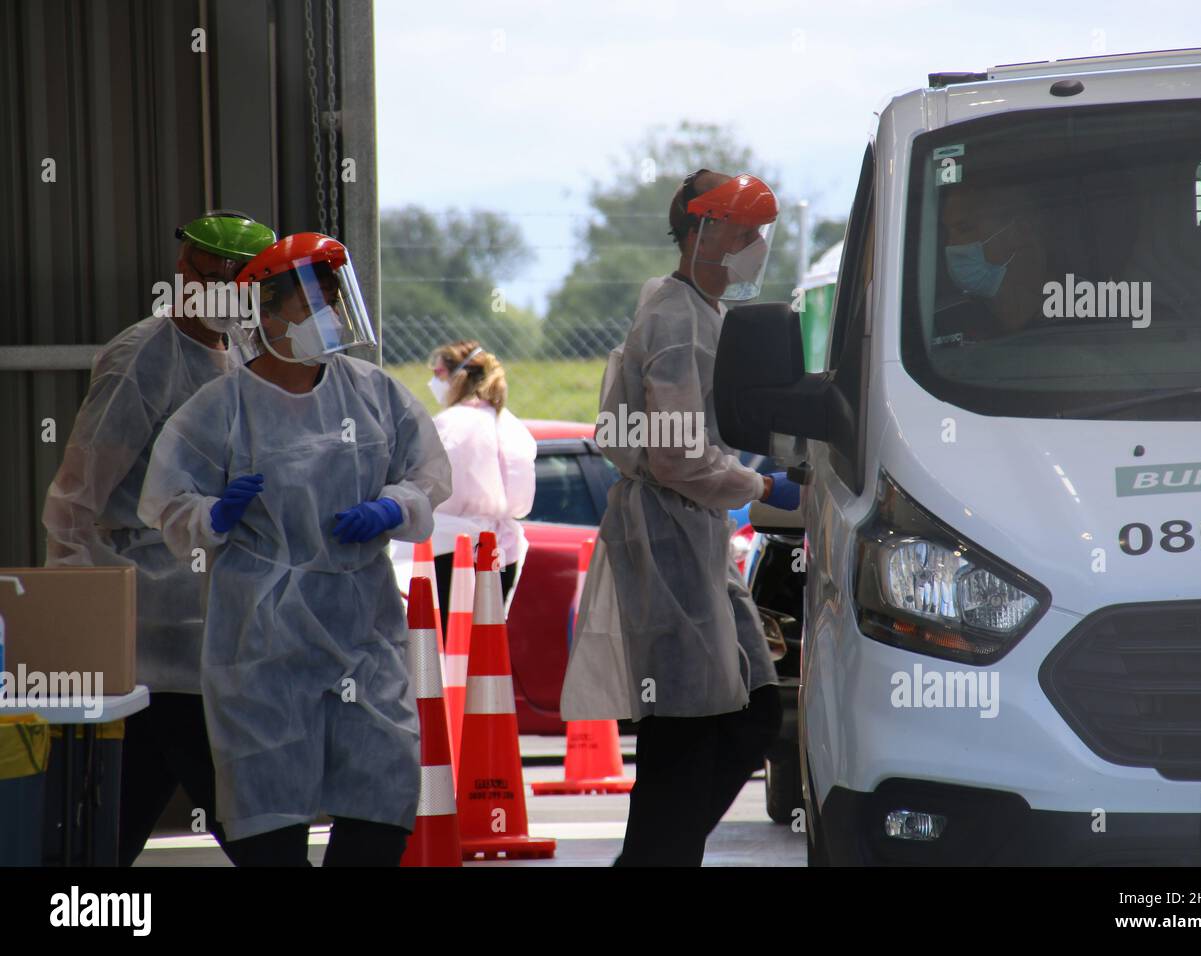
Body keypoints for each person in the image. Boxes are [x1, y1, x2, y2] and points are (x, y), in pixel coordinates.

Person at [137, 233, 452, 866]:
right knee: (269, 825)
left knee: (381, 800)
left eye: (333, 296)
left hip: (364, 631)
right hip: (262, 643)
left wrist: (395, 505)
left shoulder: (372, 393)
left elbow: (429, 474)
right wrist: (214, 515)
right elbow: (167, 503)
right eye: (313, 300)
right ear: (269, 311)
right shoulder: (221, 407)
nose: (329, 313)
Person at [559, 169, 801, 866]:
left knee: (741, 717)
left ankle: (657, 856)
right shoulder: (674, 313)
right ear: (702, 230)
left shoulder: (694, 308)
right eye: (744, 231)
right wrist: (765, 486)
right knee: (687, 729)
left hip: (695, 538)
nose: (756, 245)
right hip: (666, 541)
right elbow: (676, 456)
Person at [41, 210, 276, 866]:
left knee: (127, 805)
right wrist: (82, 620)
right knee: (232, 795)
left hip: (202, 621)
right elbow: (75, 500)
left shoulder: (235, 354)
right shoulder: (145, 356)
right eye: (190, 271)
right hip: (152, 621)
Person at [425, 341, 536, 626]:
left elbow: (429, 485)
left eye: (437, 373)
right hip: (503, 552)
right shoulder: (510, 424)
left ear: (455, 375)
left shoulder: (449, 423)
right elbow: (521, 498)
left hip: (449, 551)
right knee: (490, 645)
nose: (433, 382)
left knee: (453, 646)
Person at [939, 185, 1050, 340]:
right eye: (948, 232)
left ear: (1020, 229)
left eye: (964, 229)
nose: (951, 245)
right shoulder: (948, 324)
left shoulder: (1084, 305)